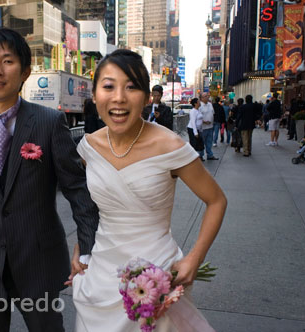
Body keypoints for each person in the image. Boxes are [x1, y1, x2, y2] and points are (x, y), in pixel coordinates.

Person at [0, 27, 99, 332]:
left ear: (26, 71)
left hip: (38, 262)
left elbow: (78, 191)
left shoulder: (48, 122)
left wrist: (87, 249)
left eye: (8, 61)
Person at [71, 49, 227, 332]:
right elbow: (90, 204)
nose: (118, 97)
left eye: (131, 87)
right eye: (108, 86)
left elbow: (216, 200)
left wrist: (194, 258)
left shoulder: (171, 147)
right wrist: (81, 245)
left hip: (156, 271)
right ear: (95, 96)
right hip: (100, 271)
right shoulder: (88, 146)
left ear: (146, 97)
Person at [199, 92, 218, 160]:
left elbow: (213, 113)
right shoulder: (199, 105)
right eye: (205, 96)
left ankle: (210, 155)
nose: (207, 97)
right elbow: (198, 117)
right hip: (203, 128)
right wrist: (204, 122)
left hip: (210, 126)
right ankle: (200, 155)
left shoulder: (210, 104)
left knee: (209, 142)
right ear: (201, 98)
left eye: (207, 96)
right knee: (202, 142)